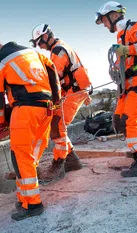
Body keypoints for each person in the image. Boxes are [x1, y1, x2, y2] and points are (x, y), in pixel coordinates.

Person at [0, 33, 60, 221]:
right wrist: (57, 100)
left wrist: (1, 120)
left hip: (25, 109)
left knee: (21, 158)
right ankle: (24, 199)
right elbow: (52, 70)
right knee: (31, 156)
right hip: (46, 108)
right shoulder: (31, 52)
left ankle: (33, 204)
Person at [95, 1, 137, 177]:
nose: (105, 25)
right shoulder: (120, 35)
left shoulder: (135, 27)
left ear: (114, 15)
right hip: (127, 85)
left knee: (130, 121)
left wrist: (126, 49)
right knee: (119, 121)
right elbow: (124, 58)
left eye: (105, 21)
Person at [29, 24, 92, 180]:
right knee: (58, 125)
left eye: (40, 43)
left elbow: (54, 79)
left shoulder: (58, 51)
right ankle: (72, 161)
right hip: (74, 90)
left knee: (57, 125)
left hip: (74, 91)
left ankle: (59, 162)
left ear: (45, 37)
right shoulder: (58, 48)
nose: (41, 47)